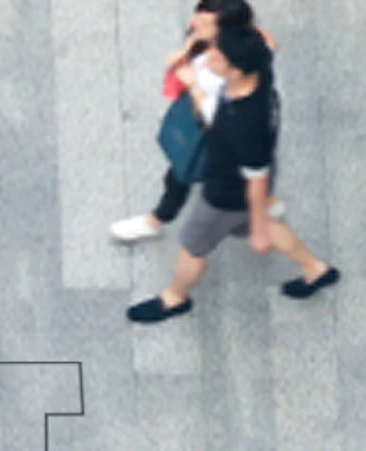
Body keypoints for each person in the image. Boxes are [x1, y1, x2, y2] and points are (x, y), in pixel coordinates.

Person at [126, 26, 342, 323]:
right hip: (240, 185)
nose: (211, 59)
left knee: (192, 245)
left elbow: (254, 177)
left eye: (218, 58)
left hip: (225, 193)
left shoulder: (243, 122)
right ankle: (315, 270)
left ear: (237, 71)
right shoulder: (260, 65)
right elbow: (267, 40)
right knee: (258, 223)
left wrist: (193, 86)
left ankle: (175, 297)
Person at [110, 0, 282, 243]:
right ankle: (263, 201)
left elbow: (217, 119)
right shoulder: (241, 46)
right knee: (256, 166)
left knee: (182, 174)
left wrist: (193, 84)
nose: (194, 25)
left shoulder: (228, 70)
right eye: (196, 18)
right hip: (252, 123)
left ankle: (157, 220)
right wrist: (190, 50)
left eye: (203, 24)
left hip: (217, 132)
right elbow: (269, 42)